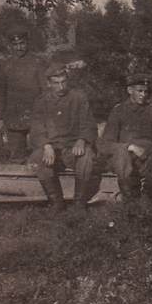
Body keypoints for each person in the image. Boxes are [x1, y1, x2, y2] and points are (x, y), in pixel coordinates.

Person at [28, 61, 98, 212]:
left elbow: (89, 124)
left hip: (73, 149)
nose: (61, 87)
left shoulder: (79, 97)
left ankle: (79, 202)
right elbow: (36, 128)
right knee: (37, 158)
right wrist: (46, 145)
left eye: (63, 82)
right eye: (56, 83)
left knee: (87, 157)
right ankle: (56, 203)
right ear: (48, 83)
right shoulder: (41, 102)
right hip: (53, 150)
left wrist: (82, 140)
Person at [100, 73, 152, 208]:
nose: (143, 95)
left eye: (146, 91)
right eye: (139, 91)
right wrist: (130, 147)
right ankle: (129, 200)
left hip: (146, 156)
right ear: (130, 91)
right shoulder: (118, 111)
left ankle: (147, 196)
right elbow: (105, 144)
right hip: (124, 157)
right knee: (123, 156)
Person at [0, 25, 47, 157]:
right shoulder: (5, 65)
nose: (19, 47)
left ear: (27, 42)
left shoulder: (38, 62)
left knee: (41, 150)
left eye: (22, 43)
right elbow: (1, 92)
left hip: (36, 114)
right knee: (17, 154)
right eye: (15, 44)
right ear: (11, 45)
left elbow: (45, 89)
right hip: (13, 116)